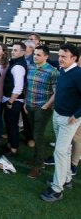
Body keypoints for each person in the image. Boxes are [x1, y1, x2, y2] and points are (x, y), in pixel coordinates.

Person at [41, 44, 81, 202]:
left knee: (60, 151)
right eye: (59, 56)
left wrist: (77, 115)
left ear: (74, 58)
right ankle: (66, 180)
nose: (60, 59)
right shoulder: (63, 70)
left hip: (69, 119)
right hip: (57, 115)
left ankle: (57, 189)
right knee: (64, 151)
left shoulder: (78, 74)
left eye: (64, 56)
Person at [25, 45, 59, 179]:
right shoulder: (31, 67)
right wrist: (25, 103)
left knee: (38, 135)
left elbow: (56, 93)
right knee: (34, 134)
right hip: (29, 105)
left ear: (46, 56)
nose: (35, 56)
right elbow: (28, 86)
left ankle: (39, 165)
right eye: (35, 54)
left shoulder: (53, 72)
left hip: (42, 108)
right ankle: (36, 159)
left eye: (39, 55)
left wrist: (46, 106)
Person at [3, 42, 27, 156]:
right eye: (12, 49)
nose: (12, 52)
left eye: (16, 50)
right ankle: (10, 145)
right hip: (13, 100)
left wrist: (10, 101)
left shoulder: (18, 66)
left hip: (14, 101)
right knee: (10, 124)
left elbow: (18, 87)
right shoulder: (16, 63)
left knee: (12, 125)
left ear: (23, 52)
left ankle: (13, 149)